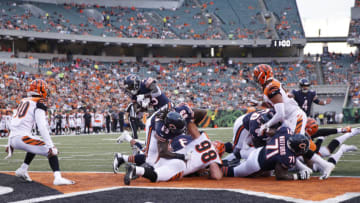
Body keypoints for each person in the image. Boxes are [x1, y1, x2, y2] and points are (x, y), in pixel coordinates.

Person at [253, 64, 334, 179]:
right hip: (289, 119)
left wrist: (266, 125)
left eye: (257, 76)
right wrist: (258, 104)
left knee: (297, 144)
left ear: (262, 76)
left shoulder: (271, 87)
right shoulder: (270, 85)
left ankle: (324, 165)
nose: (255, 78)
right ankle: (306, 167)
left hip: (295, 117)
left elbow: (280, 114)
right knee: (288, 145)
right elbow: (274, 105)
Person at [5, 79, 75, 185]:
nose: (47, 91)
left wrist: (9, 142)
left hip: (15, 137)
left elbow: (14, 122)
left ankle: (23, 169)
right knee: (50, 151)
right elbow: (42, 127)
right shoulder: (38, 103)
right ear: (40, 90)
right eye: (45, 89)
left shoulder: (24, 100)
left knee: (36, 141)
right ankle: (58, 178)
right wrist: (51, 146)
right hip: (21, 137)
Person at [222, 127, 311, 181]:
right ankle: (216, 167)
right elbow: (280, 175)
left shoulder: (286, 132)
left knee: (266, 174)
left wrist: (267, 129)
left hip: (258, 151)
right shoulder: (288, 157)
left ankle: (234, 161)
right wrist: (297, 176)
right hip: (255, 164)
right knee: (235, 173)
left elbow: (271, 132)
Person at [123, 74, 171, 139]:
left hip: (166, 106)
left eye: (130, 87)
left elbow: (158, 92)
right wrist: (142, 106)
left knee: (151, 124)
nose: (130, 90)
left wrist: (144, 96)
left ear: (136, 84)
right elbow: (139, 110)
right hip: (157, 109)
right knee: (157, 128)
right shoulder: (135, 95)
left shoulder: (145, 83)